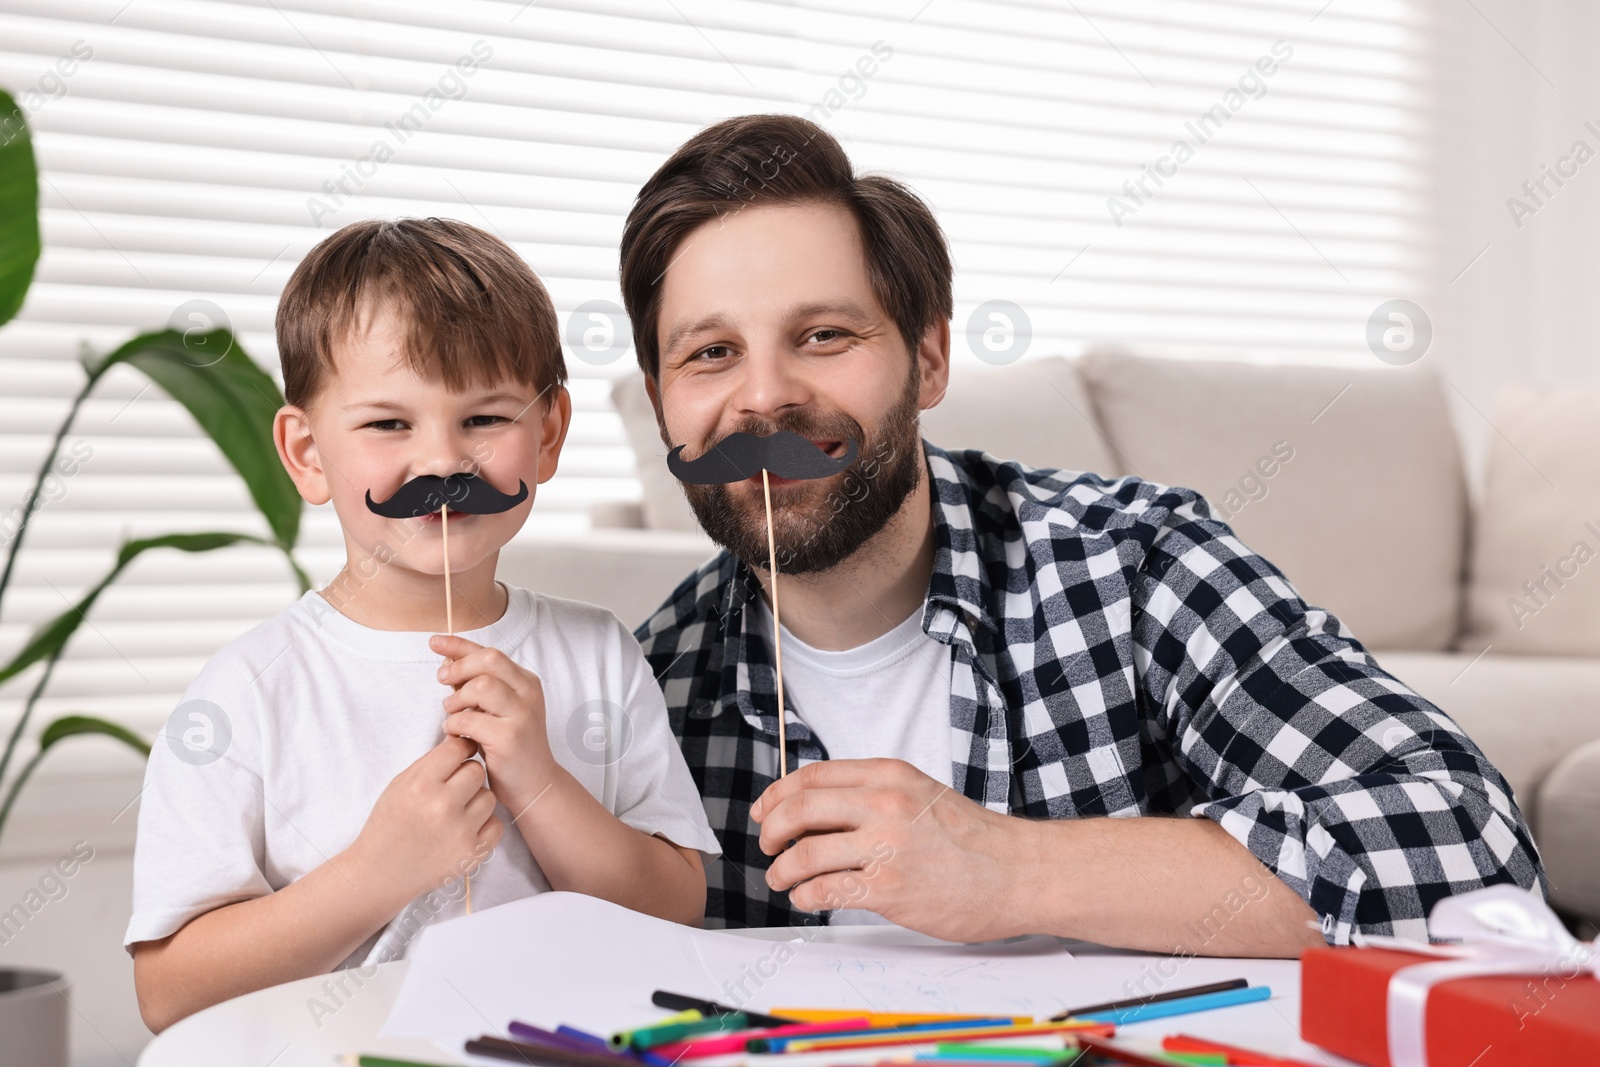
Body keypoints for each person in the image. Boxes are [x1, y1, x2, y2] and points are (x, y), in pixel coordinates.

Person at [623, 114, 1544, 953]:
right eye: (710, 353)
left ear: (929, 357)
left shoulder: (1136, 565)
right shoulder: (648, 682)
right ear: (664, 401)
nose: (762, 396)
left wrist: (1012, 868)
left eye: (824, 334)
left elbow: (1475, 847)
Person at [124, 218, 718, 1032]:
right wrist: (378, 869)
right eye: (388, 424)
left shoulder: (599, 654)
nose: (442, 462)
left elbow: (675, 907)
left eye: (484, 419)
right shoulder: (248, 692)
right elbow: (170, 991)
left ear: (547, 435)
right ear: (305, 453)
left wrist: (541, 781)